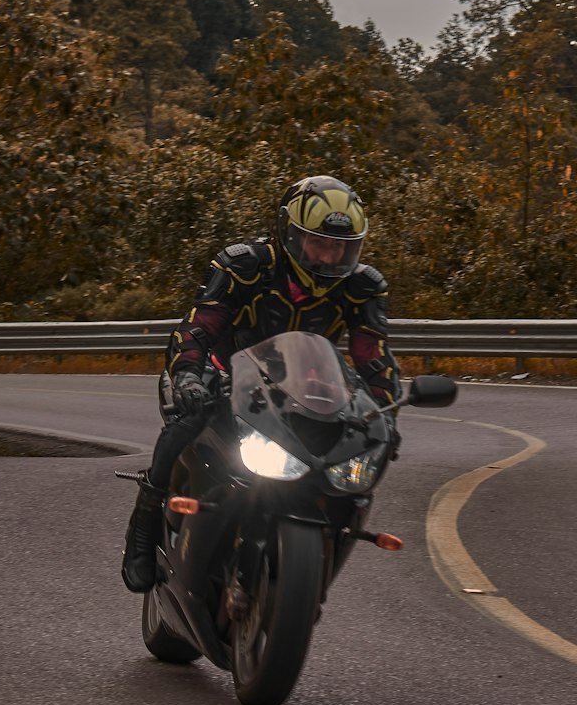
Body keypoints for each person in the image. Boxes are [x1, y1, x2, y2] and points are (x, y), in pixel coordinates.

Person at [121, 174, 401, 592]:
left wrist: (385, 413)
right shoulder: (245, 266)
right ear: (290, 234)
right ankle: (143, 528)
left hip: (305, 390)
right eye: (319, 243)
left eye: (341, 247)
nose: (330, 257)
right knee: (185, 422)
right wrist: (189, 376)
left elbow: (372, 355)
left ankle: (324, 546)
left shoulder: (362, 288)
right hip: (222, 374)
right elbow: (200, 325)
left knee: (356, 451)